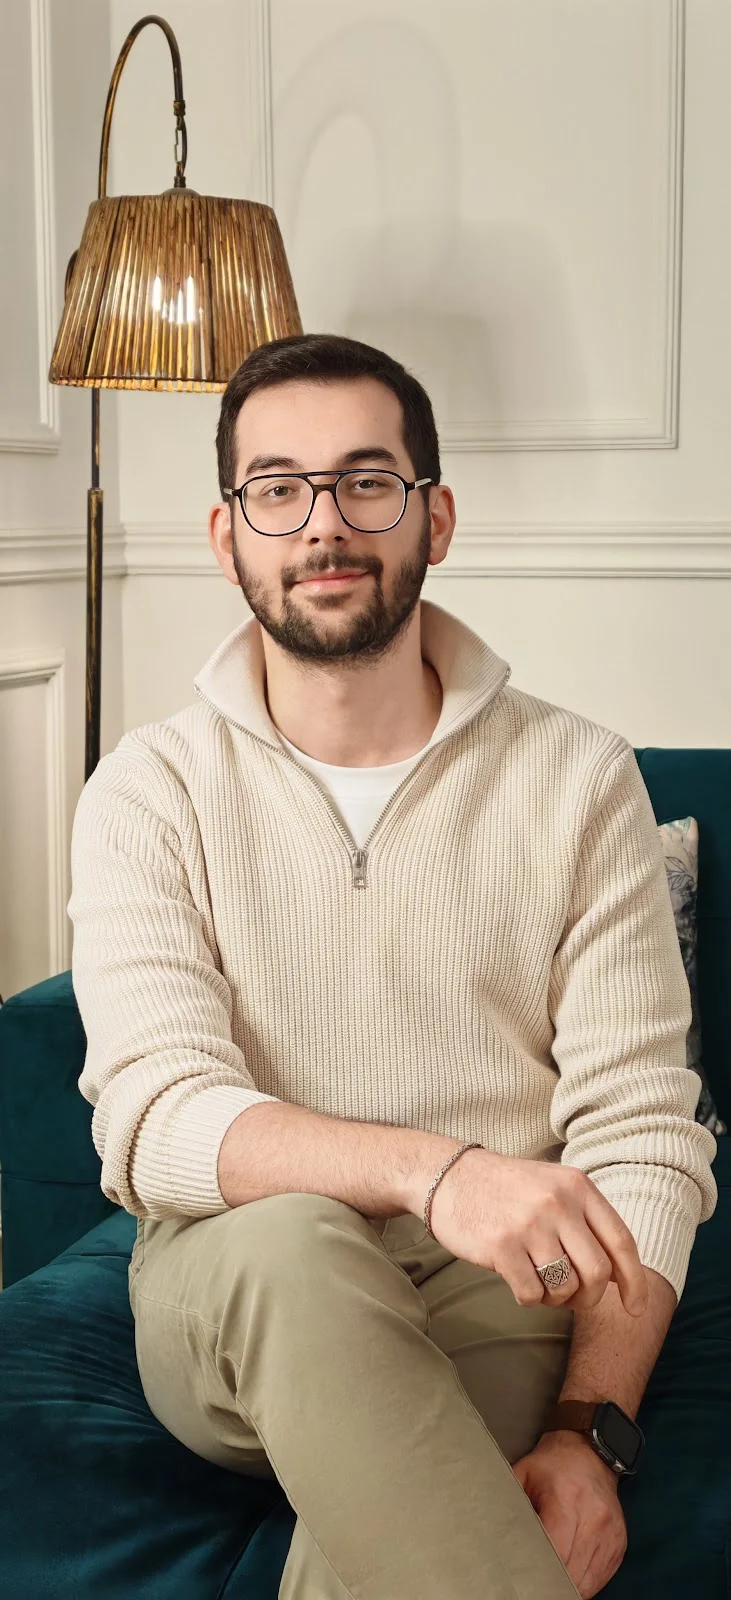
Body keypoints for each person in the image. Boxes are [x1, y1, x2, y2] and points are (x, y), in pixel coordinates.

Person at [67, 333, 718, 1600]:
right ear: (227, 537)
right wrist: (438, 1173)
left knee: (405, 1529)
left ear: (436, 517)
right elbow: (152, 1119)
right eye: (278, 488)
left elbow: (642, 1135)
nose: (324, 522)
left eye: (367, 481)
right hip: (236, 1277)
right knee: (297, 1245)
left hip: (500, 1289)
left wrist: (587, 1433)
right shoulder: (148, 790)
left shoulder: (578, 778)